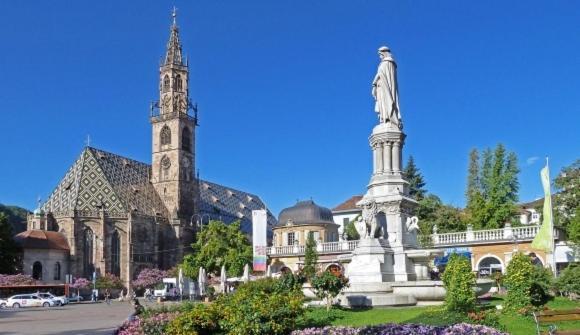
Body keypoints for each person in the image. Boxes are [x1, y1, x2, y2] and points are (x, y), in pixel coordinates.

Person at [372, 46, 402, 128]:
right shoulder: (384, 63)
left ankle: (389, 118)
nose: (380, 57)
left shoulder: (387, 63)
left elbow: (382, 74)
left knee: (387, 101)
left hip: (386, 88)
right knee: (383, 103)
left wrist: (374, 82)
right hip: (381, 88)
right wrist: (375, 85)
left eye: (381, 55)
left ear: (384, 53)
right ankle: (384, 118)